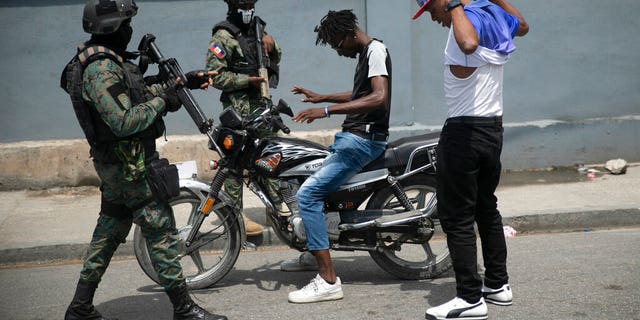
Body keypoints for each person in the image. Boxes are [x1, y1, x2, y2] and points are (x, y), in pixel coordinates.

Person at [60, 1, 227, 319]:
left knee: (108, 234)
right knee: (161, 230)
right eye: (126, 24)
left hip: (121, 167)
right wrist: (164, 100)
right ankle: (184, 308)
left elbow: (136, 94)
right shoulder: (100, 69)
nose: (130, 29)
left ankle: (80, 307)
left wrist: (180, 84)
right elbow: (123, 121)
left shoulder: (109, 61)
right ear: (112, 28)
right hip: (129, 168)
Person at [412, 0, 528, 319]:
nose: (432, 17)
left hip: (464, 132)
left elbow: (468, 42)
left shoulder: (462, 28)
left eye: (430, 9)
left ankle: (469, 299)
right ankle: (497, 285)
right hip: (493, 129)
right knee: (485, 207)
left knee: (457, 216)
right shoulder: (490, 18)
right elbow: (522, 25)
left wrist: (452, 5)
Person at [284, 9, 392, 304]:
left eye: (336, 44)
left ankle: (328, 279)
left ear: (349, 33)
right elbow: (361, 93)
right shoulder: (365, 55)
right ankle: (311, 251)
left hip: (363, 140)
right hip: (353, 138)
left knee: (307, 196)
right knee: (303, 177)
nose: (337, 50)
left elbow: (379, 96)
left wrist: (326, 111)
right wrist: (323, 97)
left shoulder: (376, 50)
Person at [205, 0, 284, 236]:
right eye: (243, 4)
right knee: (235, 162)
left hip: (262, 105)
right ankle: (234, 214)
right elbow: (215, 76)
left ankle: (277, 207)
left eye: (251, 4)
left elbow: (275, 58)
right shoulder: (223, 36)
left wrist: (273, 45)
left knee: (271, 155)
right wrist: (246, 81)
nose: (248, 9)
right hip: (238, 110)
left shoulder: (259, 30)